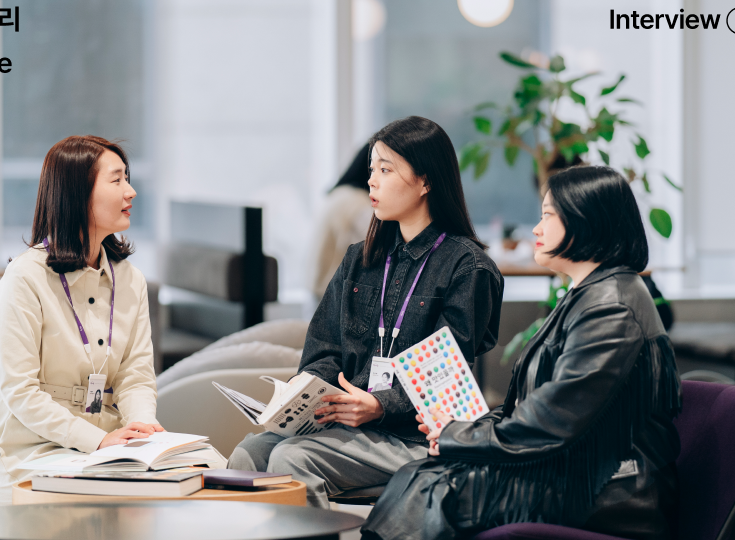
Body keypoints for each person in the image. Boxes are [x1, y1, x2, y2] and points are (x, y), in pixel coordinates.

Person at [361, 166, 682, 540]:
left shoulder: (612, 307)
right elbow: (542, 408)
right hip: (582, 471)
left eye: (548, 215)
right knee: (425, 475)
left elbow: (551, 421)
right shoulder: (593, 294)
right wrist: (466, 430)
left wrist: (457, 436)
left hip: (609, 489)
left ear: (586, 219)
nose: (536, 228)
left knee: (436, 487)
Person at [227, 116, 504, 508]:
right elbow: (323, 348)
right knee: (248, 454)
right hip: (347, 426)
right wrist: (308, 397)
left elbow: (444, 375)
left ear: (425, 181)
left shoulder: (467, 267)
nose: (371, 180)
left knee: (293, 458)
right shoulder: (361, 258)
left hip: (415, 438)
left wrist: (380, 405)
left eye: (386, 170)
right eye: (372, 169)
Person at [0, 135, 165, 505]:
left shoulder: (131, 280)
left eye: (127, 178)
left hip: (107, 449)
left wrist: (141, 426)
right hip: (30, 450)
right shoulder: (23, 280)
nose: (130, 191)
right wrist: (95, 440)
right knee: (100, 503)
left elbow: (136, 376)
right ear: (78, 194)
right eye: (116, 180)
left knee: (206, 471)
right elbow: (20, 391)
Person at [310, 143, 375, 299]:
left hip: (322, 293)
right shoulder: (358, 204)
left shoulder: (339, 195)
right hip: (337, 299)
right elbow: (376, 249)